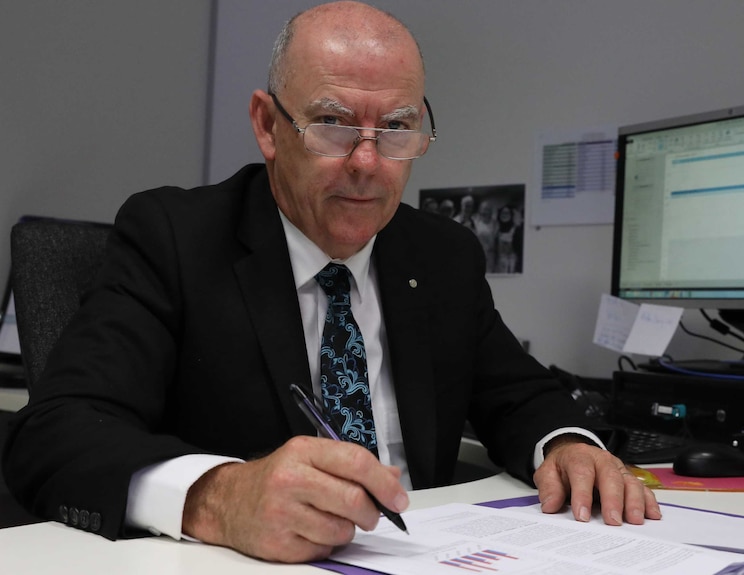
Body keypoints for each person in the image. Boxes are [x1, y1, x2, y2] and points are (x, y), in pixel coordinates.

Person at [2, 0, 659, 565]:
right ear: (267, 125)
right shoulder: (174, 237)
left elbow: (520, 394)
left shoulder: (442, 256)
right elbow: (54, 435)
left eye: (396, 127)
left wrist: (569, 443)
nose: (367, 163)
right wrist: (221, 497)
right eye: (334, 124)